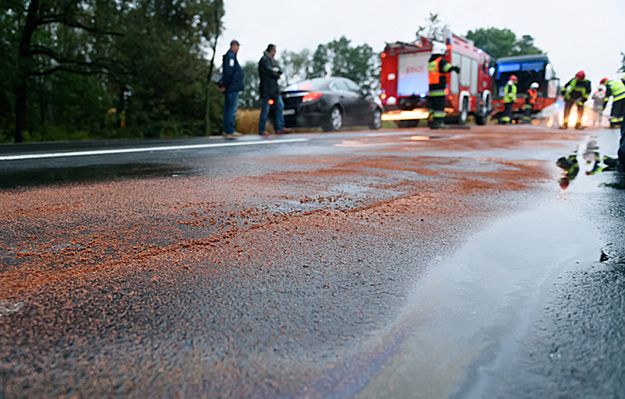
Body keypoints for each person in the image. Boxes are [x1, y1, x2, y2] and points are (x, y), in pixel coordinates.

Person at [427, 41, 460, 129]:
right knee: (439, 106)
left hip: (431, 88)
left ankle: (432, 122)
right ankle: (438, 122)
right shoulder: (440, 60)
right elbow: (447, 68)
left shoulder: (431, 61)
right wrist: (455, 68)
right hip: (439, 88)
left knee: (433, 107)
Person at [258, 44, 288, 135]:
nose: (275, 53)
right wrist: (275, 72)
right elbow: (269, 72)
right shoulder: (264, 60)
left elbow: (279, 71)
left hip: (275, 89)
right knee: (265, 110)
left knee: (280, 106)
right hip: (266, 89)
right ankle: (261, 129)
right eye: (274, 51)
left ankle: (280, 127)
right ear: (271, 50)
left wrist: (275, 72)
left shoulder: (273, 61)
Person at [220, 40, 244, 138]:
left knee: (227, 109)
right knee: (231, 109)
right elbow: (229, 72)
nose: (238, 49)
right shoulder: (231, 57)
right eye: (237, 47)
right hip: (232, 87)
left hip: (229, 87)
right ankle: (230, 130)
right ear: (234, 46)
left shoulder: (229, 56)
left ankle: (227, 130)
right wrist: (225, 84)